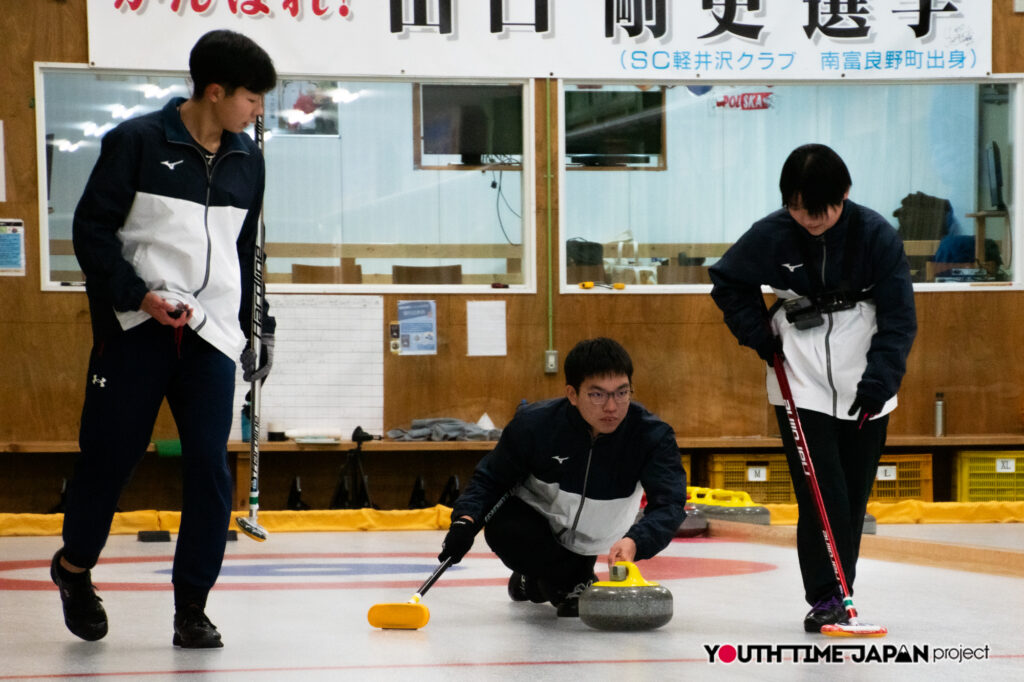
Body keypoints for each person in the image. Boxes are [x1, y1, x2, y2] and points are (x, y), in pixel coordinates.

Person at [51, 30, 277, 648]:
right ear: (214, 91)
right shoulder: (136, 143)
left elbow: (247, 249)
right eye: (252, 98)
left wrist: (258, 320)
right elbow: (91, 232)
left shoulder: (248, 159)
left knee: (209, 469)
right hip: (138, 328)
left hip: (211, 336)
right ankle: (74, 569)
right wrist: (137, 295)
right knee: (110, 458)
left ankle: (192, 608)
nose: (258, 111)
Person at [708, 143, 917, 632]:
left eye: (819, 209)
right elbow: (727, 282)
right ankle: (828, 597)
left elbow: (899, 317)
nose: (809, 219)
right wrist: (759, 335)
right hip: (798, 375)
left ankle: (842, 590)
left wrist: (880, 380)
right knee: (821, 490)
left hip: (864, 372)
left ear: (844, 195)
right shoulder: (773, 233)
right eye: (798, 208)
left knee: (852, 492)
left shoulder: (876, 235)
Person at [438, 337, 687, 617]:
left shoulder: (652, 436)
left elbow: (669, 503)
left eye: (622, 392)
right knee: (503, 525)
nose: (612, 407)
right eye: (597, 394)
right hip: (540, 528)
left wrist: (636, 541)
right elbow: (491, 479)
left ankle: (539, 579)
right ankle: (565, 578)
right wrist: (464, 522)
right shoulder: (534, 426)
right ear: (572, 394)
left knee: (558, 587)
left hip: (599, 534)